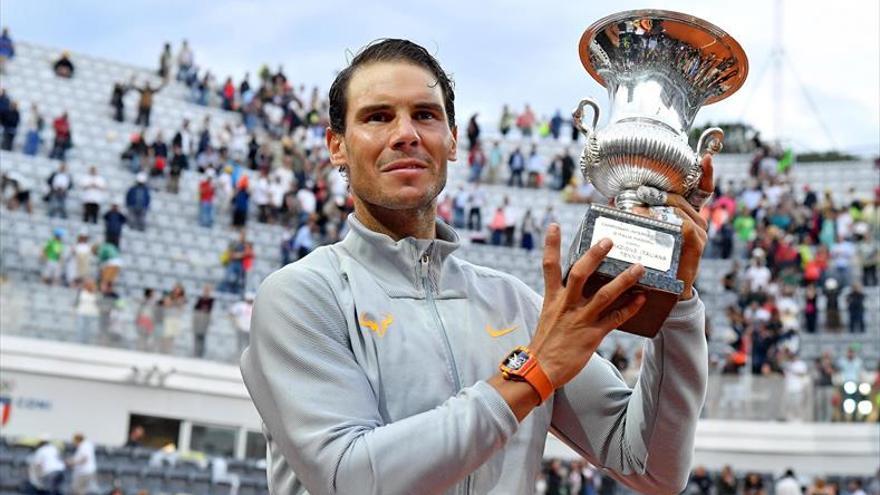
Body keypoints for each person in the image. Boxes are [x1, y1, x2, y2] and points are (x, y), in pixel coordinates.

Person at [240, 39, 712, 495]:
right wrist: (533, 372)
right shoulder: (301, 296)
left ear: (452, 141)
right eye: (378, 116)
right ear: (336, 146)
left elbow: (651, 468)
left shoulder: (517, 308)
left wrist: (675, 300)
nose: (405, 134)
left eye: (424, 116)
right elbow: (352, 480)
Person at [192, 284, 215, 358]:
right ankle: (195, 353)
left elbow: (209, 309)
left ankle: (201, 354)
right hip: (198, 321)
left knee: (203, 338)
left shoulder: (211, 300)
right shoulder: (200, 299)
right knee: (196, 337)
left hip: (205, 322)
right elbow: (196, 308)